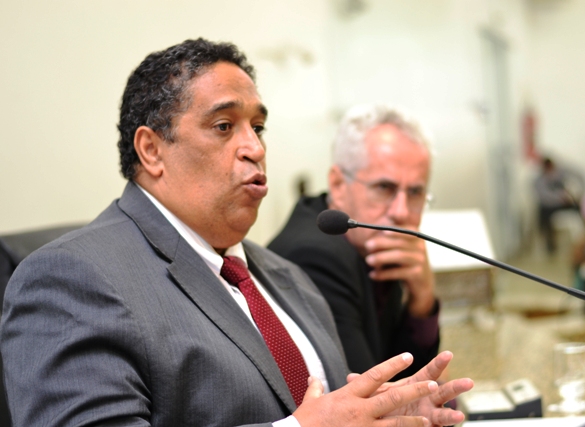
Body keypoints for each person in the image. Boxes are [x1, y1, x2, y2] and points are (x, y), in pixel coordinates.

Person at [0, 39, 473, 427]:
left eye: (258, 127)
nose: (254, 148)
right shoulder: (70, 278)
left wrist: (388, 414)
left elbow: (331, 407)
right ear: (152, 151)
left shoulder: (286, 277)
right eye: (224, 126)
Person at [269, 104, 439, 379]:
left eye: (415, 192)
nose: (401, 212)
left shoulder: (373, 244)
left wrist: (422, 300)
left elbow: (408, 374)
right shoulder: (316, 256)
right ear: (338, 185)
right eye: (384, 188)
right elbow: (374, 394)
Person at [533, 156, 584, 253]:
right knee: (543, 215)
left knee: (580, 208)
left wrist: (578, 192)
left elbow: (578, 175)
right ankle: (550, 243)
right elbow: (544, 196)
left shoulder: (561, 172)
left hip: (565, 203)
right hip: (549, 206)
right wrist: (560, 197)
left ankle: (584, 236)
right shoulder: (539, 180)